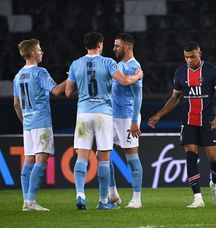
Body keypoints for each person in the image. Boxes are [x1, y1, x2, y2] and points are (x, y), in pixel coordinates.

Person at [65, 32, 142, 210]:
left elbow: (68, 92)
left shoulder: (76, 64)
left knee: (82, 156)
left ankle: (80, 194)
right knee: (104, 158)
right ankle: (104, 201)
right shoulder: (108, 62)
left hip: (83, 114)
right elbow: (123, 81)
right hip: (104, 115)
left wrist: (81, 83)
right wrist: (138, 76)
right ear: (100, 44)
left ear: (85, 45)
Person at [148, 41, 216, 208]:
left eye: (192, 56)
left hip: (208, 120)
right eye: (186, 57)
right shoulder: (180, 73)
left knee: (215, 158)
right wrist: (159, 115)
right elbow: (175, 98)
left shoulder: (212, 70)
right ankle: (198, 198)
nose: (189, 60)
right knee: (191, 155)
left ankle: (214, 183)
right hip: (188, 120)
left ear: (200, 54)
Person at [13, 39, 66, 211]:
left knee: (28, 160)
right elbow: (57, 91)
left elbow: (16, 104)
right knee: (41, 161)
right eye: (40, 50)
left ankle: (25, 201)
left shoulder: (18, 76)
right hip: (41, 122)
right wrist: (71, 76)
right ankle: (30, 201)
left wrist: (25, 121)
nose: (42, 52)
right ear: (34, 53)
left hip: (27, 124)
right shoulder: (40, 72)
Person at [107, 33, 144, 208]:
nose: (114, 49)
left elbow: (138, 95)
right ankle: (113, 194)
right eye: (114, 46)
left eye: (117, 46)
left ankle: (136, 198)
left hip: (127, 117)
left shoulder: (134, 66)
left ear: (127, 47)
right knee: (103, 155)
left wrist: (135, 120)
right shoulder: (117, 65)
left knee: (131, 158)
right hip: (111, 117)